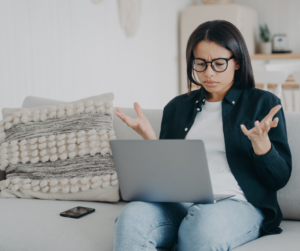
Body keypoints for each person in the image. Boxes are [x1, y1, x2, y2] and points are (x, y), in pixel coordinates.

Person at [112, 20, 292, 251]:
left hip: (237, 204)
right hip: (179, 202)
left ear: (237, 62)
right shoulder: (177, 107)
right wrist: (149, 138)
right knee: (131, 218)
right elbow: (167, 173)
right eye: (200, 63)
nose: (208, 73)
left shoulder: (264, 104)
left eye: (218, 63)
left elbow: (279, 179)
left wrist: (262, 146)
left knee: (201, 228)